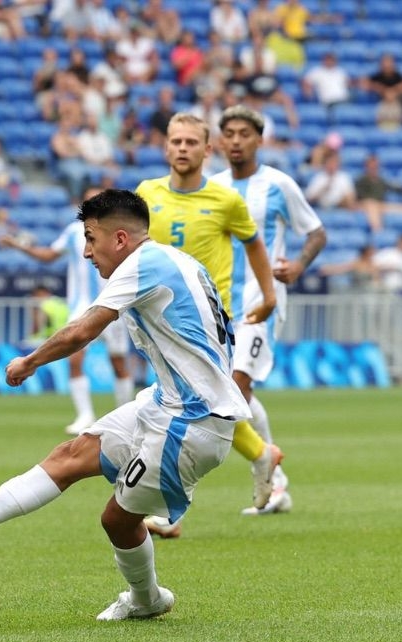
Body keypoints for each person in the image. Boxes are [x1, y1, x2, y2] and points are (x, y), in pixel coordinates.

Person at [0, 189, 248, 621]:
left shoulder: (141, 265)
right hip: (167, 404)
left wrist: (29, 361)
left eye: (90, 239)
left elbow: (82, 330)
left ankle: (147, 600)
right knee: (70, 455)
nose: (85, 252)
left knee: (116, 521)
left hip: (191, 424)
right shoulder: (176, 261)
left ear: (120, 239)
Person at [134, 113, 283, 515]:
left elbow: (254, 245)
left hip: (206, 321)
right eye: (176, 141)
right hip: (157, 320)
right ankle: (260, 453)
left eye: (191, 142)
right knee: (208, 405)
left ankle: (162, 509)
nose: (183, 148)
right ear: (166, 147)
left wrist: (268, 295)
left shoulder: (224, 200)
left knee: (183, 408)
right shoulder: (146, 193)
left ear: (206, 149)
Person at [205, 105, 327, 520]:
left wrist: (297, 266)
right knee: (235, 393)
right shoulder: (212, 188)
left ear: (259, 139)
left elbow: (316, 231)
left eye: (244, 133)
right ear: (219, 142)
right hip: (220, 304)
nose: (236, 140)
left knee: (237, 388)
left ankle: (274, 479)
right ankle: (275, 476)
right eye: (229, 133)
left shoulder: (278, 184)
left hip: (263, 301)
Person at [0, 190, 136, 434]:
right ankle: (85, 415)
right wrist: (18, 245)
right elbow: (49, 255)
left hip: (114, 302)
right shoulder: (75, 232)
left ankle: (125, 415)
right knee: (75, 359)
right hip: (82, 306)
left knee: (118, 362)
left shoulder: (119, 231)